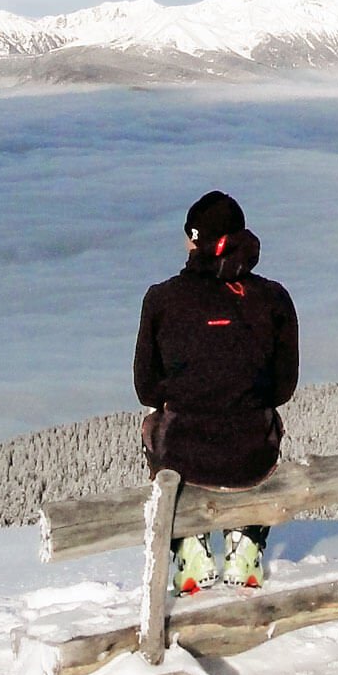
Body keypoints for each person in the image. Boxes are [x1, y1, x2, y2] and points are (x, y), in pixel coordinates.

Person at [134, 190, 299, 593]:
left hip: (184, 455)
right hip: (251, 456)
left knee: (155, 424)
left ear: (194, 239)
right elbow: (282, 388)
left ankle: (190, 541)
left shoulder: (162, 299)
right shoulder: (274, 299)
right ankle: (246, 538)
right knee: (262, 419)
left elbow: (147, 389)